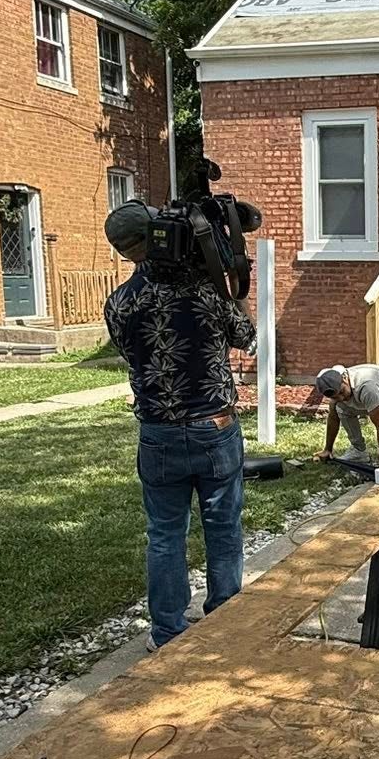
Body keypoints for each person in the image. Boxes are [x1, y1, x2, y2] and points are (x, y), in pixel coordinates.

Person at [103, 201, 255, 648]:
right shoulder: (204, 291)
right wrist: (226, 281)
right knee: (223, 526)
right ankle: (224, 623)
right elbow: (246, 337)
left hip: (158, 434)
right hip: (214, 427)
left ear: (127, 253)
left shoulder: (119, 304)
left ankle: (167, 632)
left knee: (165, 536)